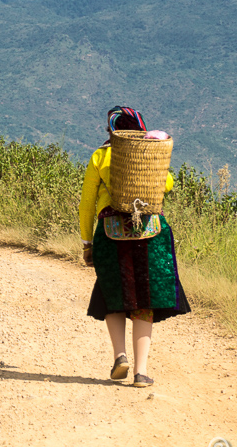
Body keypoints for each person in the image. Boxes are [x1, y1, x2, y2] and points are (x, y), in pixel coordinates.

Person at [79, 106, 190, 388]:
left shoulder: (100, 156)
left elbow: (87, 202)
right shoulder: (150, 154)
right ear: (141, 131)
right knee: (145, 299)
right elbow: (167, 184)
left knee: (113, 292)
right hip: (150, 234)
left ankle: (120, 357)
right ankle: (141, 372)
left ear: (113, 132)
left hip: (110, 232)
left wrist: (86, 243)